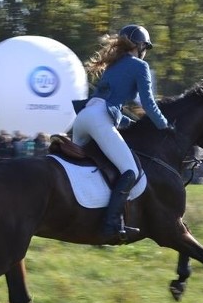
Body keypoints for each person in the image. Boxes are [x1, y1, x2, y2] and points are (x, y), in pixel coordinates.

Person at [72, 24, 174, 242]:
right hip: (99, 119)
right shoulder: (140, 66)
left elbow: (109, 106)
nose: (145, 51)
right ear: (140, 46)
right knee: (130, 171)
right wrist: (165, 125)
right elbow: (148, 103)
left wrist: (131, 123)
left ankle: (87, 217)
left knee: (85, 171)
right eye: (145, 47)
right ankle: (110, 225)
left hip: (83, 118)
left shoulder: (112, 65)